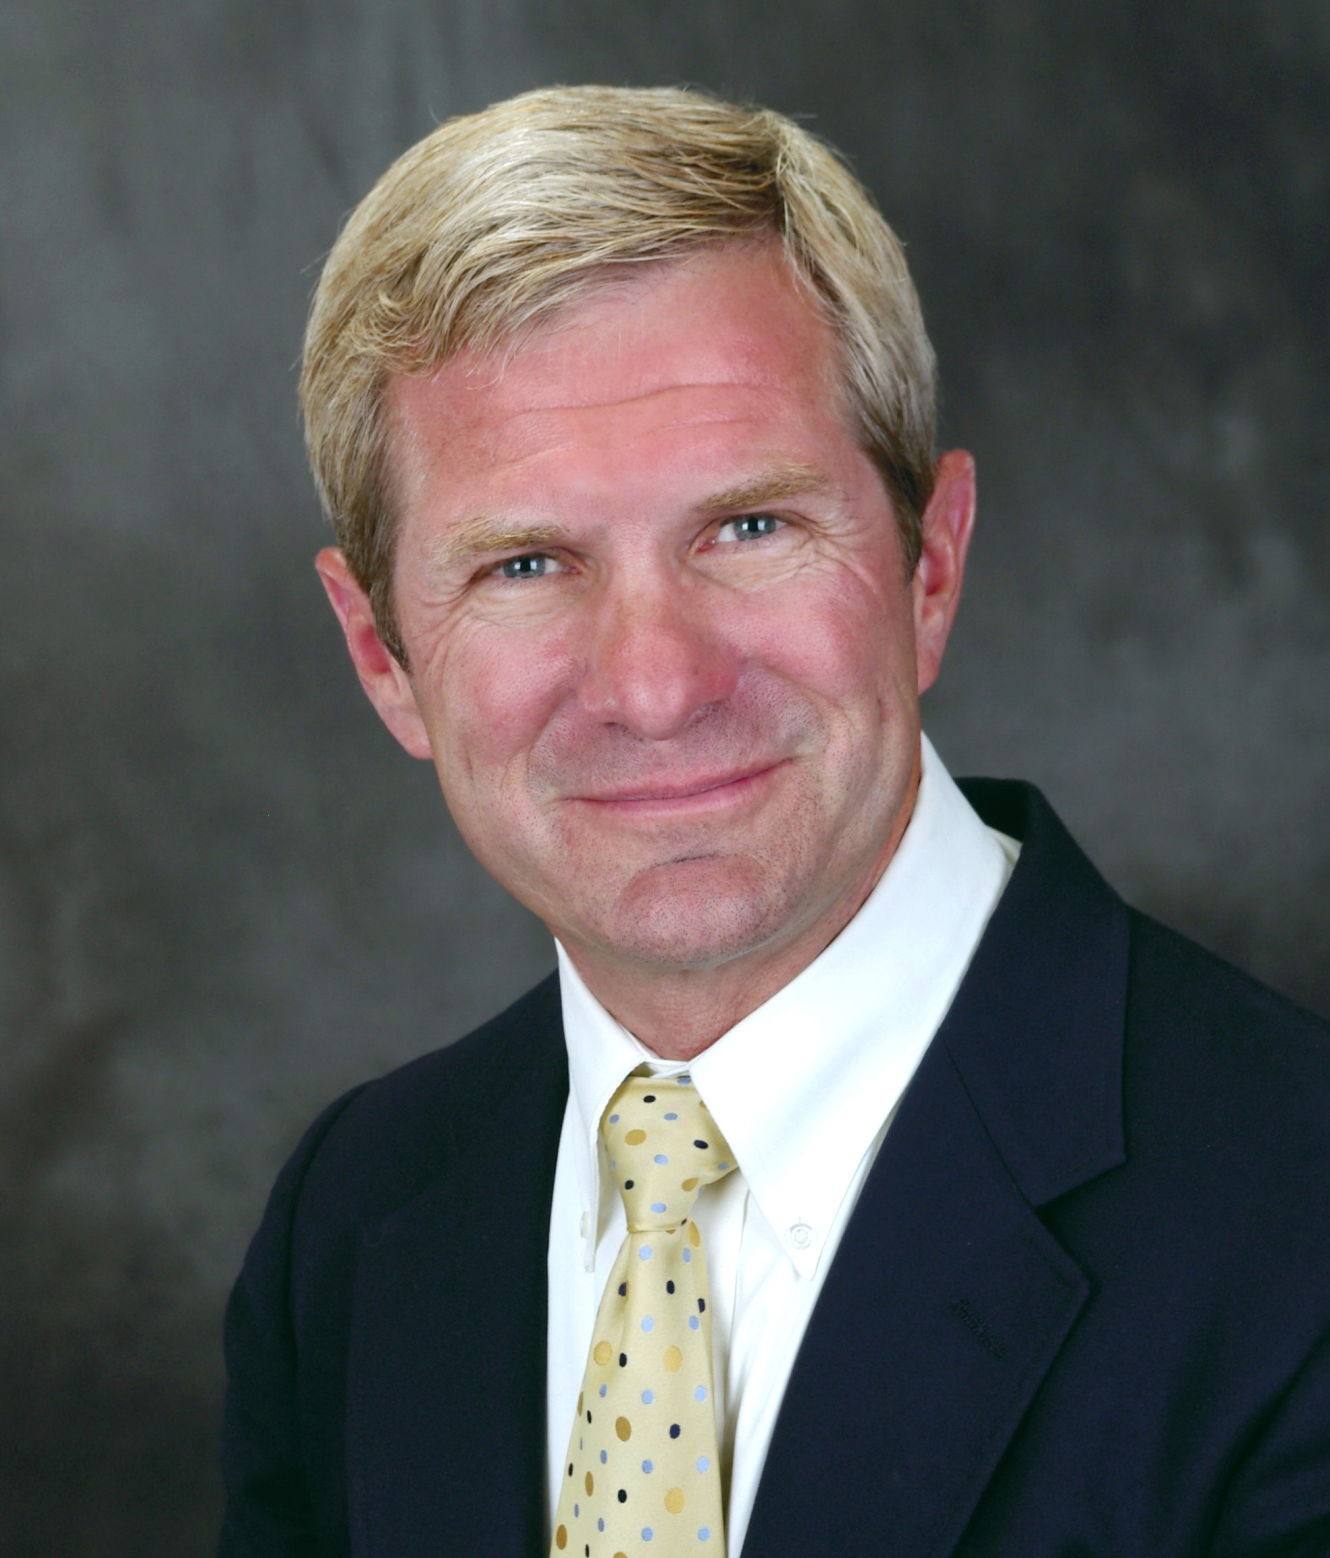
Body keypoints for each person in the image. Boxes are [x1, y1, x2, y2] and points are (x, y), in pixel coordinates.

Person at [219, 85, 1330, 1557]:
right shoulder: (357, 1220)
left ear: (931, 567)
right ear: (384, 658)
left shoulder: (1295, 1224)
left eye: (749, 527)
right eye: (526, 565)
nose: (655, 685)